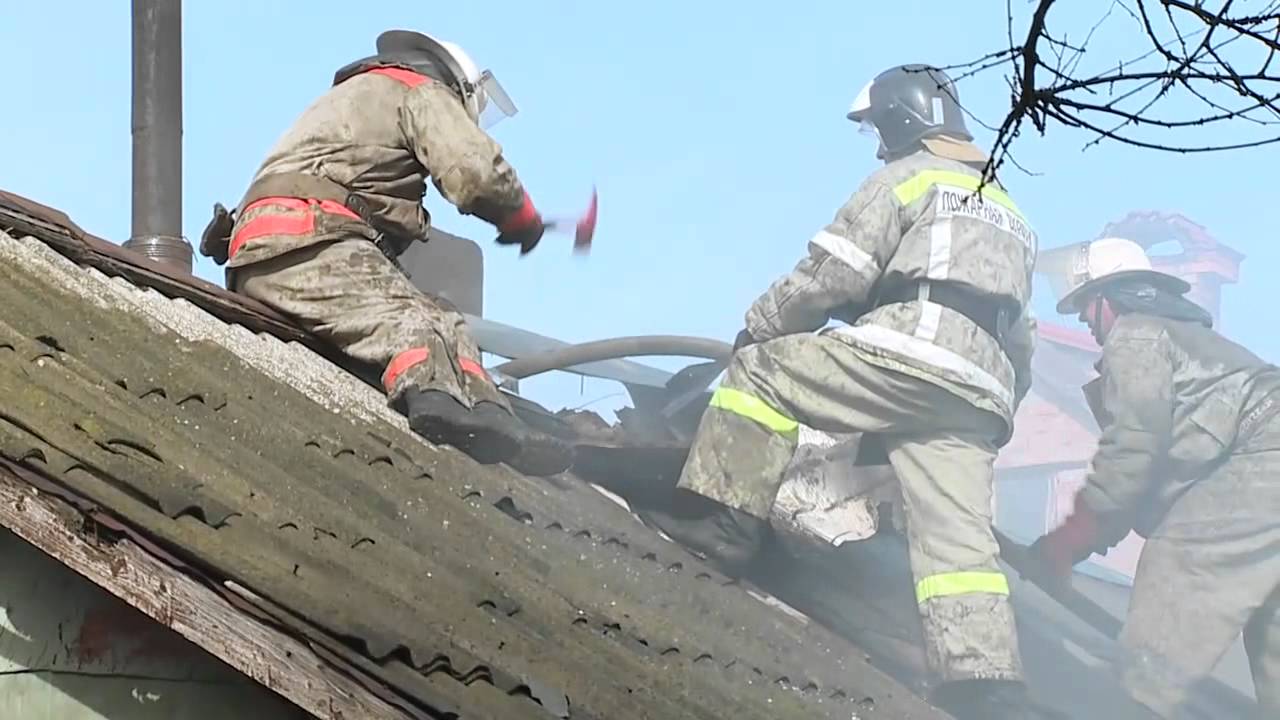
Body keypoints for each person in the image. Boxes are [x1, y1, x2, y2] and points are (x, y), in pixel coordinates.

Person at [637, 64, 1048, 719]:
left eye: (879, 128)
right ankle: (984, 679)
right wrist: (1000, 403)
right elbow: (1020, 337)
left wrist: (761, 326)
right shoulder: (1010, 211)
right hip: (979, 391)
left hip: (912, 353)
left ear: (900, 120)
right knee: (958, 539)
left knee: (763, 372)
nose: (878, 145)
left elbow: (832, 272)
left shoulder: (907, 177)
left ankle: (724, 523)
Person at [199, 29, 571, 476]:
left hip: (277, 246)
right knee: (414, 327)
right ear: (457, 88)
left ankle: (492, 418)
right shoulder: (419, 90)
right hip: (310, 239)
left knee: (445, 321)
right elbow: (475, 172)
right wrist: (519, 214)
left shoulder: (352, 99)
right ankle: (449, 411)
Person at [1029, 236, 1280, 719]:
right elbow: (1150, 480)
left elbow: (1133, 451)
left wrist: (1070, 539)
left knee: (1179, 563)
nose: (1084, 321)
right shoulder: (1189, 342)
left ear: (1110, 297)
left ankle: (1135, 705)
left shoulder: (1136, 335)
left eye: (1085, 305)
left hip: (1264, 458)